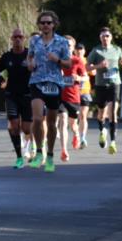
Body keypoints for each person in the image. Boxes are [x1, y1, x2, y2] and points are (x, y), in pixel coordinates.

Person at [26, 11, 72, 172]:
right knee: (37, 119)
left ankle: (51, 156)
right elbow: (29, 57)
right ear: (39, 25)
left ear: (54, 25)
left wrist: (57, 60)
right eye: (43, 23)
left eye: (48, 23)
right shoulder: (34, 41)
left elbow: (68, 64)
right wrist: (30, 64)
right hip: (37, 81)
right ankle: (39, 152)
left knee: (52, 123)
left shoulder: (62, 42)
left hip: (54, 83)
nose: (45, 25)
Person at [0, 28, 33, 168]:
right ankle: (19, 156)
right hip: (11, 95)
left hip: (28, 95)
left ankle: (30, 146)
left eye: (20, 37)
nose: (18, 39)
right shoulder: (6, 56)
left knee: (27, 128)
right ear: (11, 38)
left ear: (24, 38)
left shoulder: (30, 54)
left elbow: (38, 69)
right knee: (14, 126)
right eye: (15, 37)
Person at [87, 27, 122, 155]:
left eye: (107, 36)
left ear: (111, 37)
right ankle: (102, 131)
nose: (105, 38)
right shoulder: (96, 51)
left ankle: (113, 142)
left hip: (115, 84)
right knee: (101, 113)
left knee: (113, 113)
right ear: (100, 38)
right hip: (101, 85)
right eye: (103, 36)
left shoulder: (117, 49)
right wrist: (98, 66)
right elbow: (87, 67)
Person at [56, 35, 87, 162]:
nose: (67, 48)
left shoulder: (77, 61)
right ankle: (64, 150)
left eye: (69, 45)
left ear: (73, 47)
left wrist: (78, 78)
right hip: (60, 96)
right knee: (63, 121)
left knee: (73, 124)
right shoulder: (57, 61)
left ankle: (76, 134)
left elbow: (85, 77)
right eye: (64, 45)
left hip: (74, 97)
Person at [76, 42, 93, 149]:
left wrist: (89, 68)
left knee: (83, 115)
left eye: (81, 49)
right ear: (75, 51)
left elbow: (94, 72)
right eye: (77, 49)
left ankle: (83, 138)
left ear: (84, 51)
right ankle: (76, 135)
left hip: (85, 91)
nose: (79, 51)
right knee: (73, 118)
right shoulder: (71, 60)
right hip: (73, 92)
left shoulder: (87, 61)